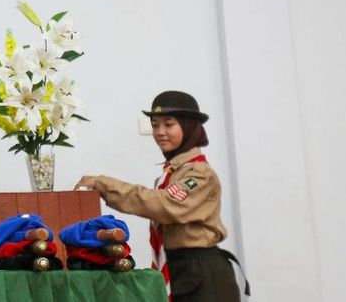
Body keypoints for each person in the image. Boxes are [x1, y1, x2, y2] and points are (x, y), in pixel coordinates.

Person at [74, 91, 245, 302]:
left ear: (189, 126)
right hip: (181, 268)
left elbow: (164, 204)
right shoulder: (174, 172)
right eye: (155, 125)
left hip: (202, 271)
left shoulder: (199, 173)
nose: (160, 132)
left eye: (169, 124)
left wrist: (104, 185)